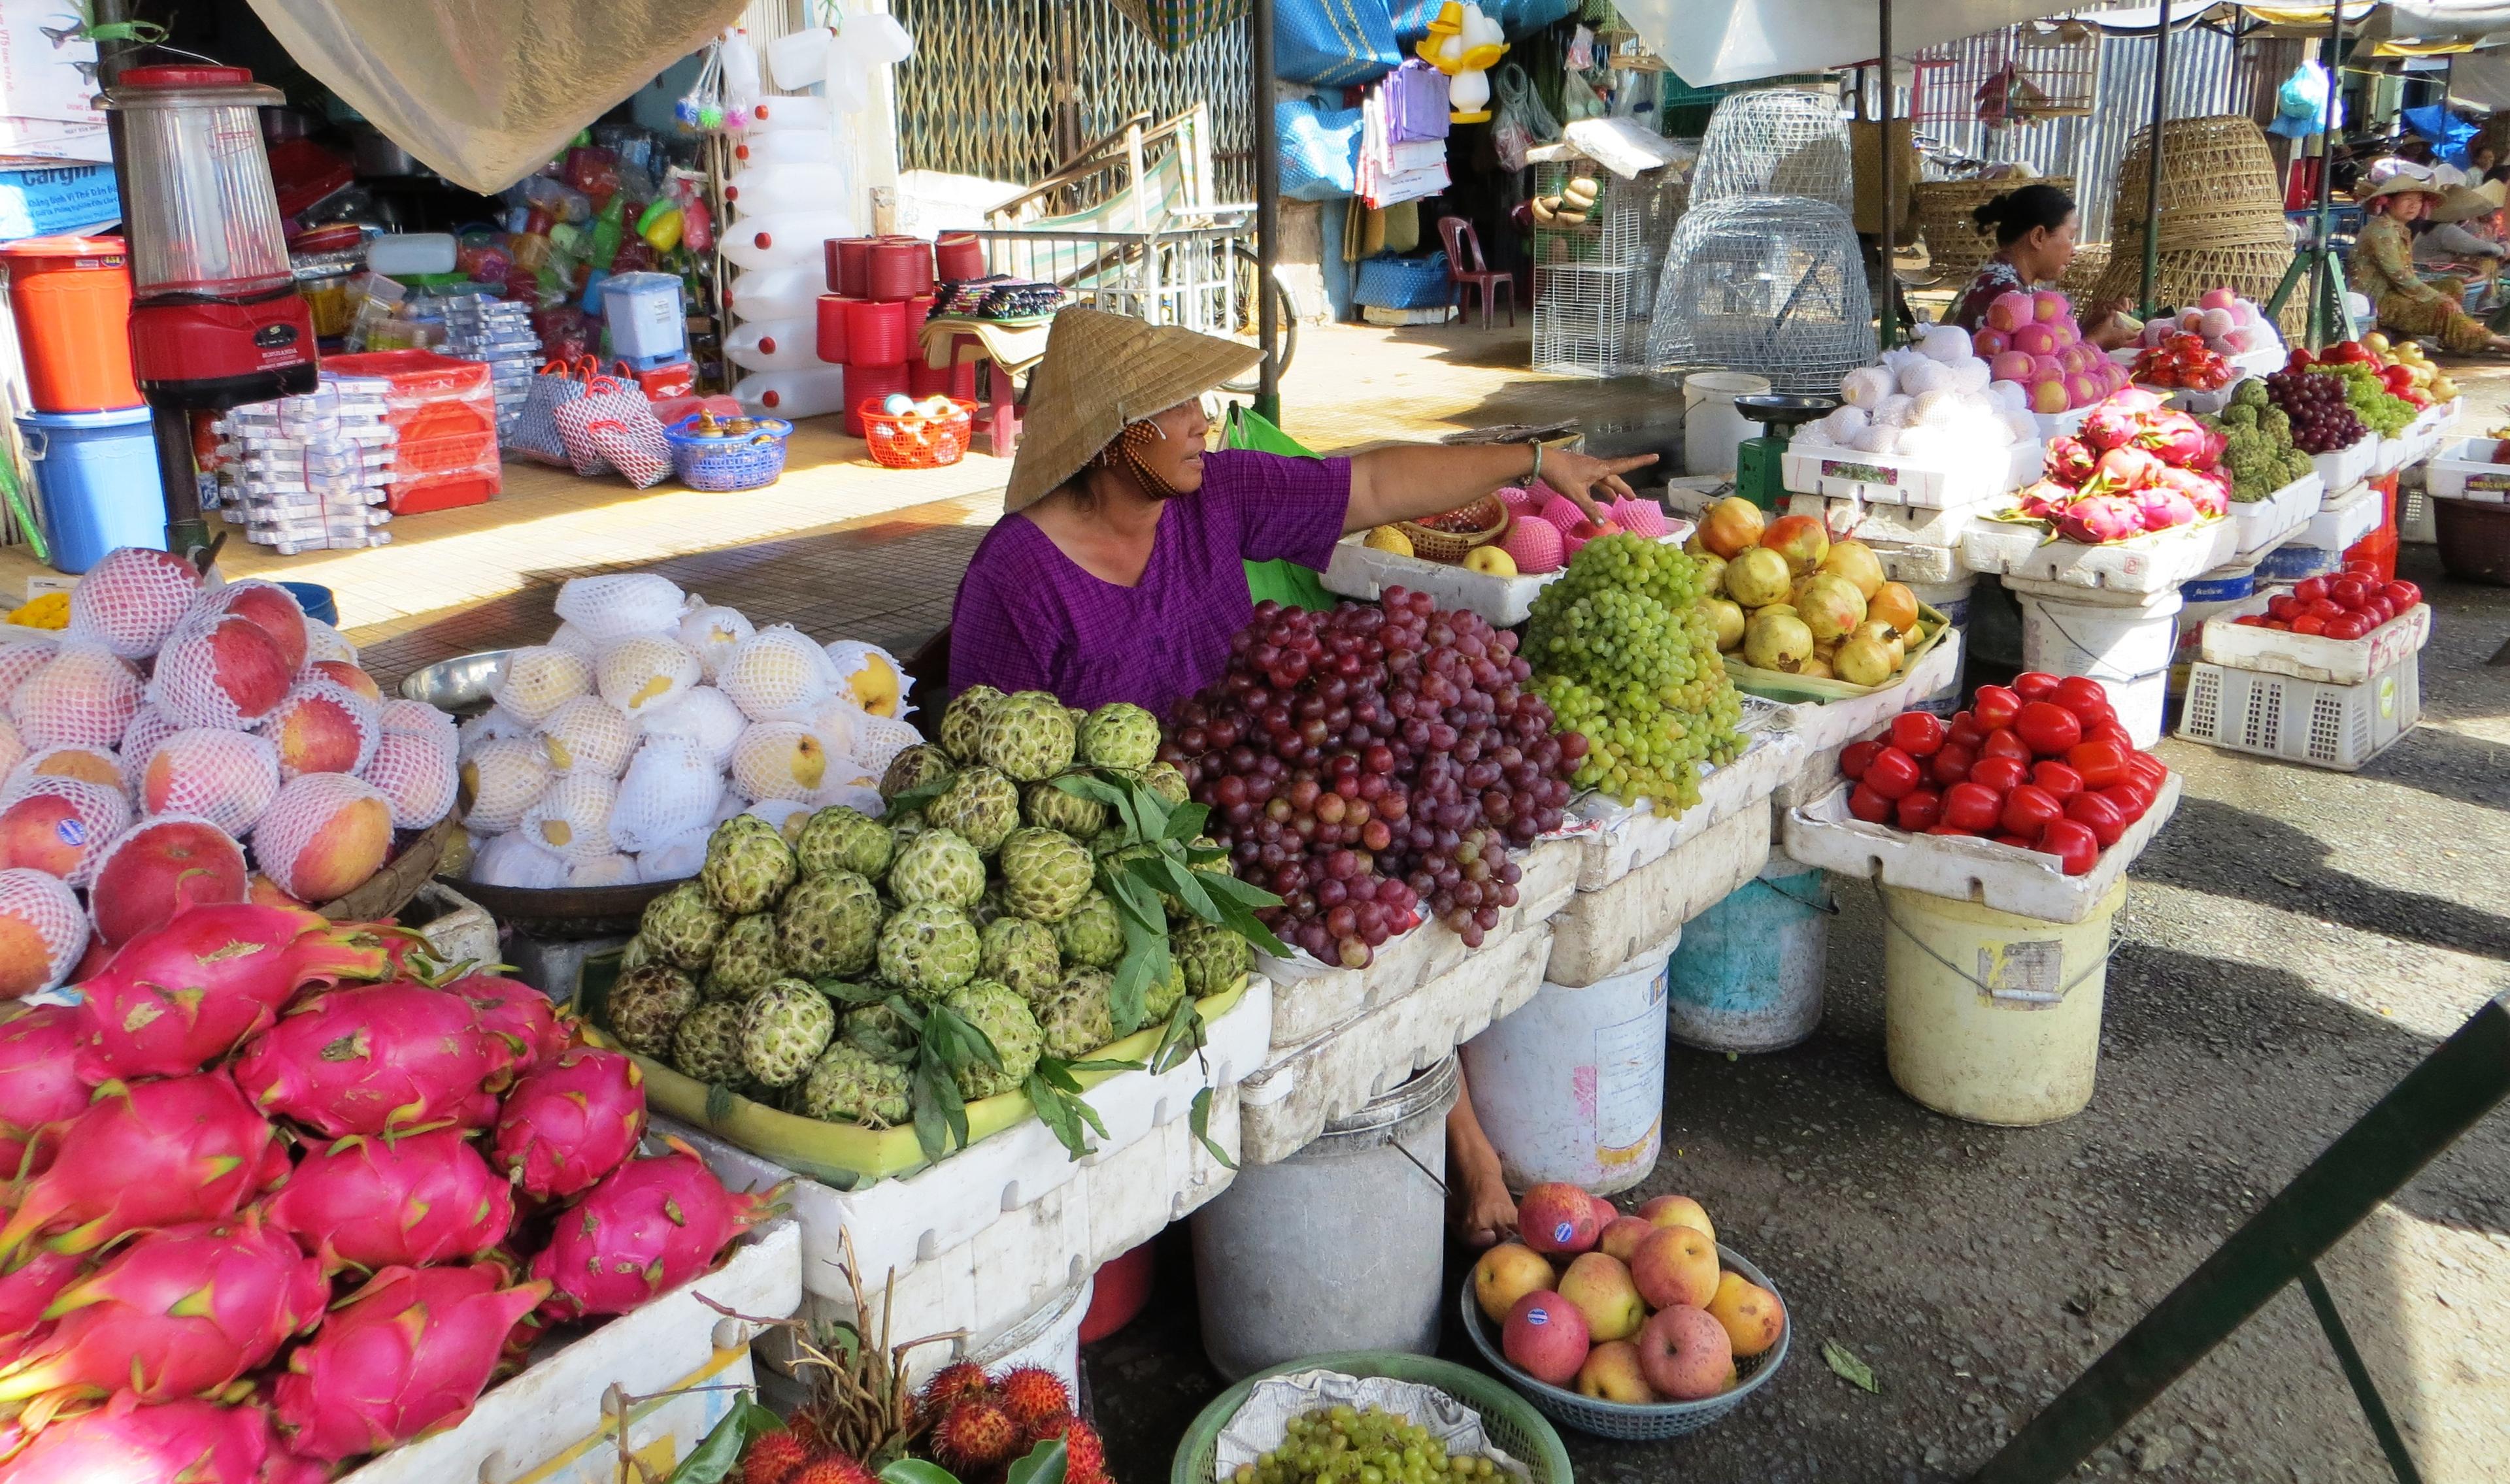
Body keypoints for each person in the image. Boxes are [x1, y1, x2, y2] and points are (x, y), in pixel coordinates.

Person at [948, 307, 1658, 1244]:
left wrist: (1530, 461)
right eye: (1178, 409)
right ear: (1116, 439)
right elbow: (982, 766)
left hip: (1260, 792)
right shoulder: (1016, 577)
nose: (1205, 421)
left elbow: (1368, 482)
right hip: (1125, 857)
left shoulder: (1210, 497)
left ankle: (1467, 1145)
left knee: (1391, 877)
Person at [1944, 182, 2137, 350]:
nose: (2074, 250)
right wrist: (2095, 341)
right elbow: (2027, 371)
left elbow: (2043, 348)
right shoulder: (2004, 293)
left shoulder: (2003, 281)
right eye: (2070, 237)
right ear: (2038, 237)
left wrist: (2089, 327)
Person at [2349, 174, 2510, 354]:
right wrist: (2438, 297)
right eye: (2407, 200)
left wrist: (2439, 293)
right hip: (2377, 300)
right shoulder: (2382, 231)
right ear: (2388, 202)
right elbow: (2400, 275)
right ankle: (2499, 342)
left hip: (2395, 292)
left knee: (2452, 286)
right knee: (2443, 306)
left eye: (2418, 201)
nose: (2413, 206)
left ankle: (2456, 337)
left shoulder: (2398, 228)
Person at [2413, 183, 2507, 277]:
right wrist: (2503, 250)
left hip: (2428, 271)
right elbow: (2487, 249)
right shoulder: (2446, 230)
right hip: (2429, 274)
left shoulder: (2437, 226)